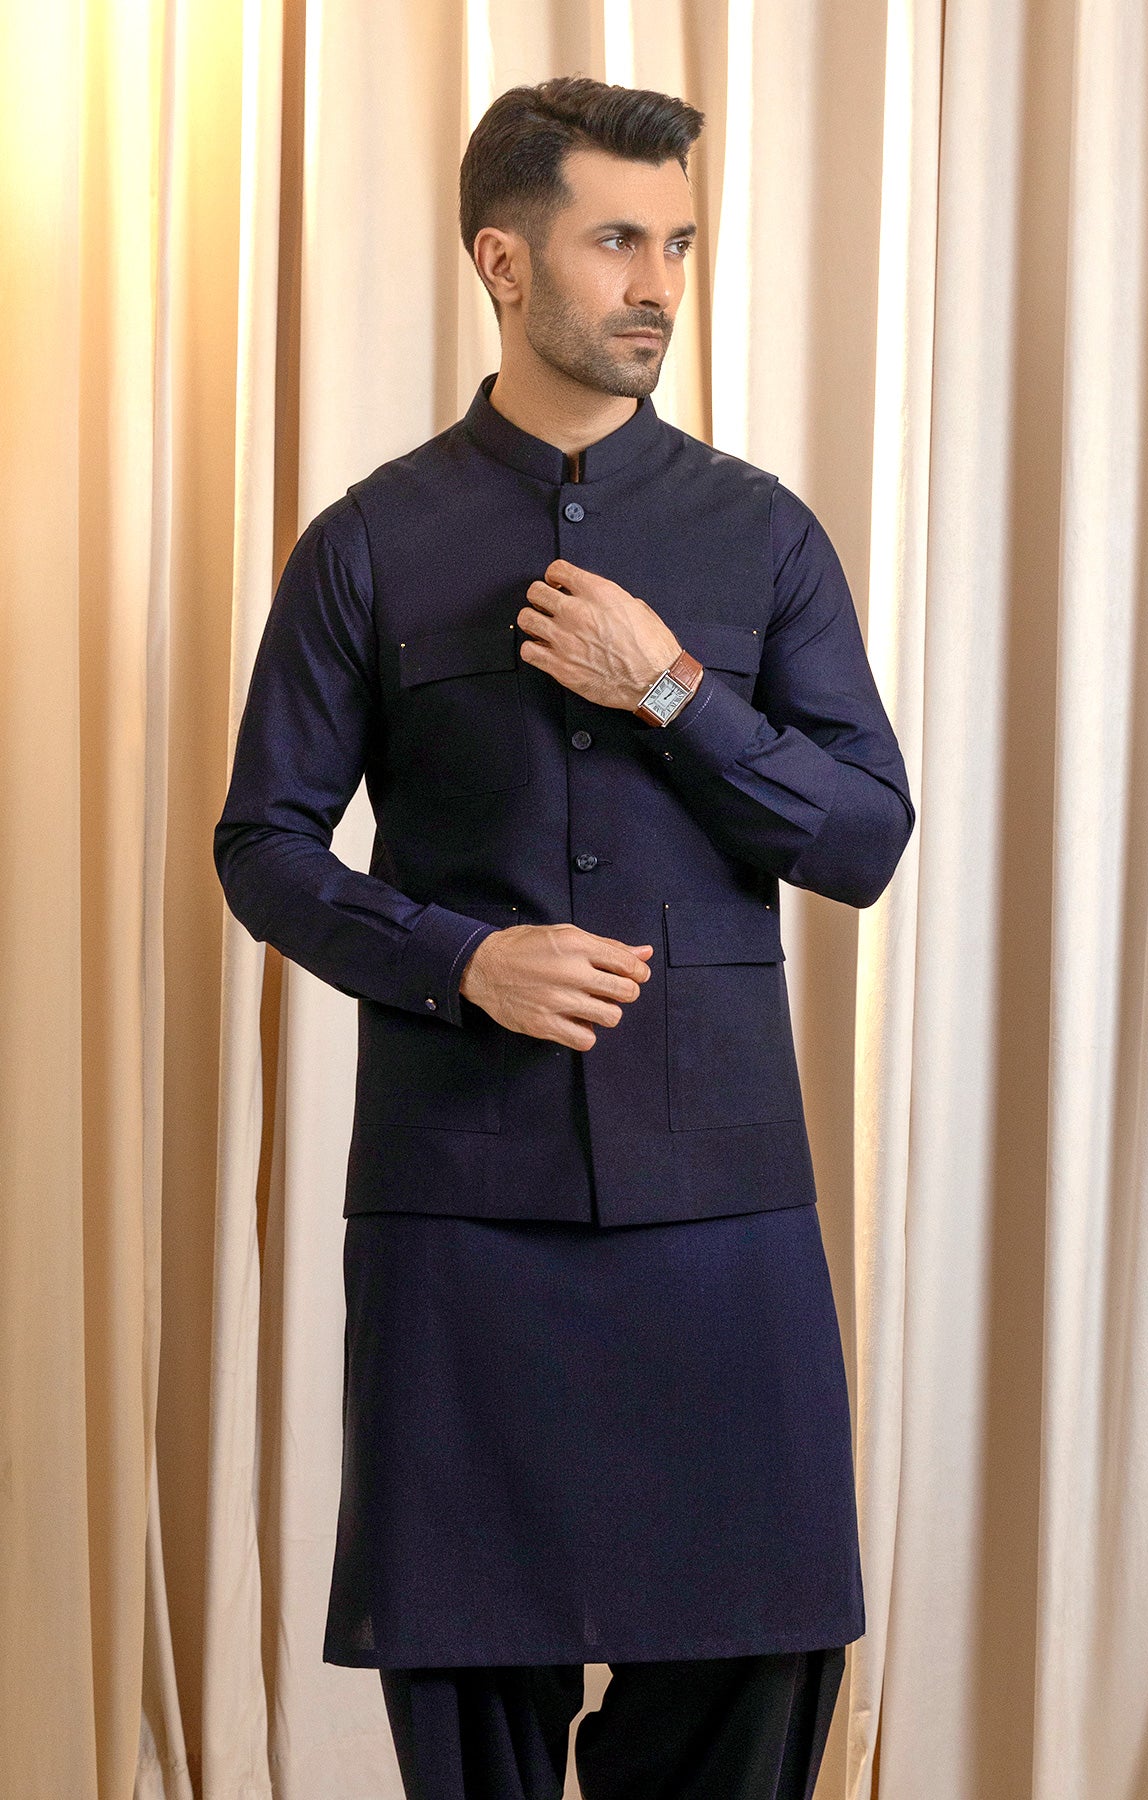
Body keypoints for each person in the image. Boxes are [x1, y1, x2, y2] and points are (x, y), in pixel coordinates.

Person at [214, 72, 914, 1800]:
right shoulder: (369, 543)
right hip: (464, 1197)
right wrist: (460, 959)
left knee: (765, 1648)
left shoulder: (762, 534)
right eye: (617, 241)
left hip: (723, 1195)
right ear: (504, 261)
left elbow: (864, 837)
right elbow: (264, 846)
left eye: (677, 241)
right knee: (470, 1665)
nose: (658, 282)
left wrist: (671, 689)